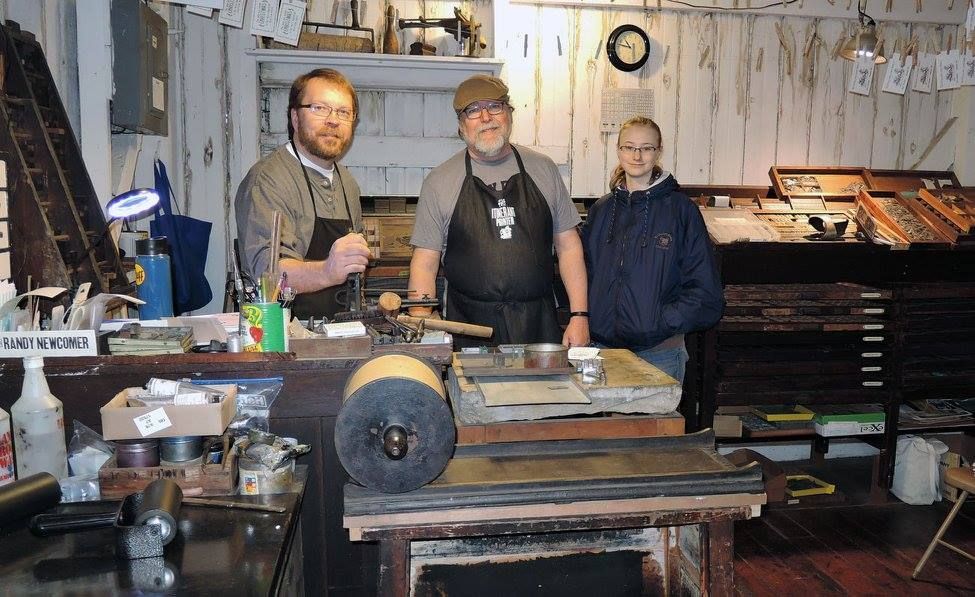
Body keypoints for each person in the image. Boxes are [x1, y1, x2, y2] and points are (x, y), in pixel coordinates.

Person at [408, 75, 589, 347]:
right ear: (461, 125)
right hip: (468, 330)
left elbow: (569, 246)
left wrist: (579, 316)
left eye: (494, 106)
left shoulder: (544, 169)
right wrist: (424, 322)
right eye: (473, 110)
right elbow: (424, 263)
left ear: (509, 114)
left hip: (538, 326)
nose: (486, 117)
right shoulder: (439, 182)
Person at [581, 116, 723, 382]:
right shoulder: (601, 211)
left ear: (658, 152)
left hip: (660, 354)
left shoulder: (681, 211)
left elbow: (705, 290)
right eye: (629, 147)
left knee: (656, 413)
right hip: (603, 352)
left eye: (646, 148)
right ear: (618, 150)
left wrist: (661, 322)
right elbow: (584, 274)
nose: (637, 156)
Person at [235, 68, 371, 319]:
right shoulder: (268, 180)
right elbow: (267, 276)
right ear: (295, 118)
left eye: (343, 112)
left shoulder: (348, 183)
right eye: (319, 108)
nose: (333, 120)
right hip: (283, 332)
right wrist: (327, 271)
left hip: (339, 330)